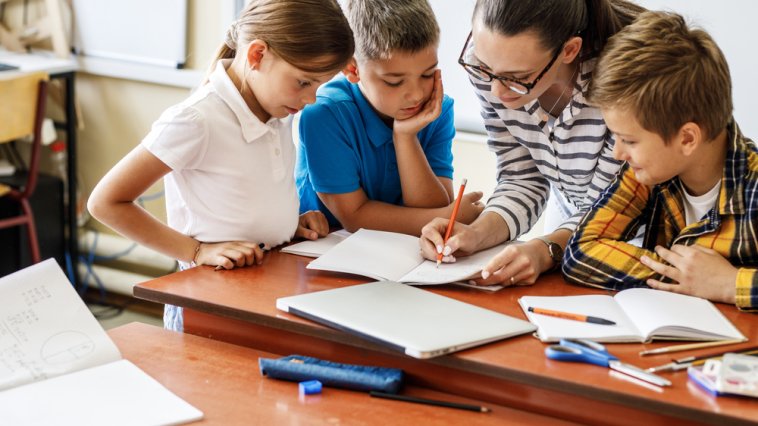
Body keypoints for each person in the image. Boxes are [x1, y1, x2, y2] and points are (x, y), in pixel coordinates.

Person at [87, 0, 355, 330]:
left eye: (319, 85)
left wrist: (286, 223)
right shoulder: (196, 120)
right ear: (257, 55)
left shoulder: (277, 110)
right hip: (208, 295)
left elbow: (243, 193)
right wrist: (196, 250)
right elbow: (106, 202)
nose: (311, 99)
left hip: (262, 281)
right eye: (304, 82)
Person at [419, 0, 644, 286]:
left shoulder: (620, 81)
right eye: (486, 67)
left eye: (518, 78)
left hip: (642, 228)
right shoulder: (489, 70)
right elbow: (521, 177)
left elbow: (611, 209)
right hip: (574, 215)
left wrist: (546, 250)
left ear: (569, 50)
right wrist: (475, 234)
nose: (497, 91)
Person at [563, 11, 756, 311]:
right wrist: (683, 277)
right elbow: (581, 252)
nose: (618, 154)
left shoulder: (753, 186)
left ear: (687, 139)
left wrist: (730, 284)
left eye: (629, 140)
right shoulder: (649, 172)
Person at [295, 0, 484, 236]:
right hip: (319, 249)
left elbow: (432, 207)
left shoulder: (437, 110)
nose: (416, 95)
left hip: (398, 251)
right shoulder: (325, 114)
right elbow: (354, 217)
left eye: (427, 74)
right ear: (353, 70)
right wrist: (446, 216)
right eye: (394, 81)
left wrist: (405, 137)